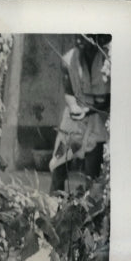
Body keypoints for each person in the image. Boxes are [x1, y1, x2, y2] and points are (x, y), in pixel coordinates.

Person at [50, 35, 111, 194]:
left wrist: (89, 111)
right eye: (79, 37)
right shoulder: (68, 59)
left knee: (93, 177)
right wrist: (73, 107)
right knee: (58, 166)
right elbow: (68, 91)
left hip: (98, 118)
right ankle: (53, 208)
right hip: (73, 117)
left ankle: (89, 214)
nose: (80, 41)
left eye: (86, 38)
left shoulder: (108, 60)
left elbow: (110, 99)